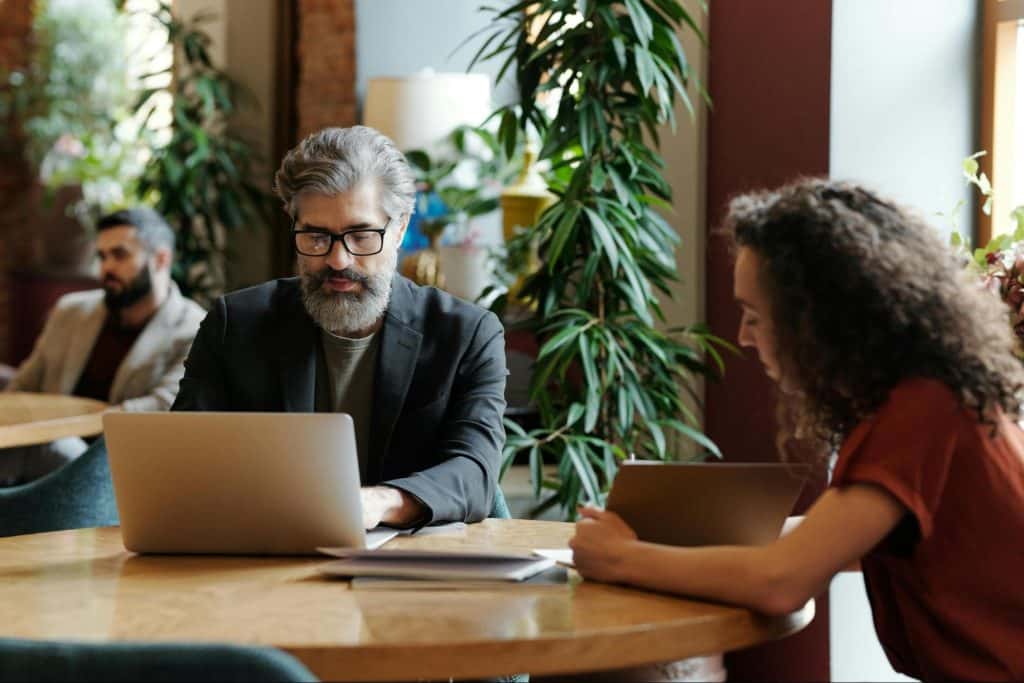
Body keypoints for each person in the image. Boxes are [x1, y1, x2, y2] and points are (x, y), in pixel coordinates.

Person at [570, 179, 1024, 681]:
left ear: (822, 323)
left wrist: (621, 558)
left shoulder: (918, 412)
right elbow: (824, 540)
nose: (743, 337)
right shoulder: (933, 396)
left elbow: (782, 582)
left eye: (754, 316)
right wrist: (679, 538)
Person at [172, 125, 508, 530]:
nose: (337, 259)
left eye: (361, 235)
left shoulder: (467, 335)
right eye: (316, 237)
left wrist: (381, 503)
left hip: (411, 563)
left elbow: (475, 473)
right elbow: (186, 461)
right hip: (265, 554)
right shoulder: (235, 324)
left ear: (400, 229)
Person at [2, 207, 205, 484]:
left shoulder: (194, 328)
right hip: (43, 457)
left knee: (46, 447)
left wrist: (67, 425)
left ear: (160, 259)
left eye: (120, 255)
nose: (106, 268)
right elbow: (24, 387)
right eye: (102, 256)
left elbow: (164, 406)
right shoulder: (71, 311)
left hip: (121, 469)